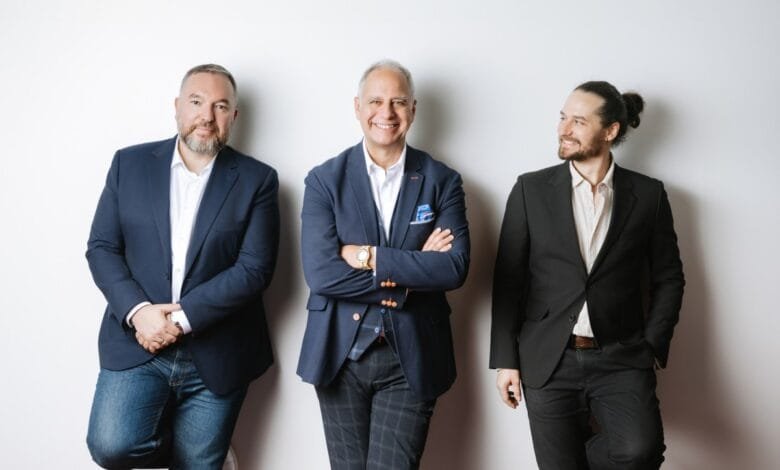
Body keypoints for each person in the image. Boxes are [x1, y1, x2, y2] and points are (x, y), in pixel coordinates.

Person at [85, 64, 279, 469]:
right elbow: (102, 247)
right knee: (110, 445)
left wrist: (182, 320)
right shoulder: (129, 165)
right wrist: (140, 314)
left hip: (220, 346)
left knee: (198, 464)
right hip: (140, 344)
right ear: (177, 107)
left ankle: (205, 455)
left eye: (220, 106)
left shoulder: (257, 179)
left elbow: (254, 269)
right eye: (196, 102)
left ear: (234, 117)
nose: (207, 116)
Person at [490, 81, 685, 469]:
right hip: (548, 358)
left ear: (610, 131)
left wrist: (651, 347)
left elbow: (669, 278)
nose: (564, 129)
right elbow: (508, 280)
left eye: (578, 121)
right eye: (563, 118)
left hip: (621, 356)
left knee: (639, 451)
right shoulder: (531, 190)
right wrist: (505, 360)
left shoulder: (647, 195)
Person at [296, 60, 470, 469]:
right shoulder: (324, 180)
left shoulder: (442, 180)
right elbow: (320, 273)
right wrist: (411, 273)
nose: (386, 113)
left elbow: (455, 267)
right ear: (357, 107)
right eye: (376, 101)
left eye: (398, 102)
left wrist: (366, 256)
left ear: (414, 108)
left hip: (412, 354)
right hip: (340, 353)